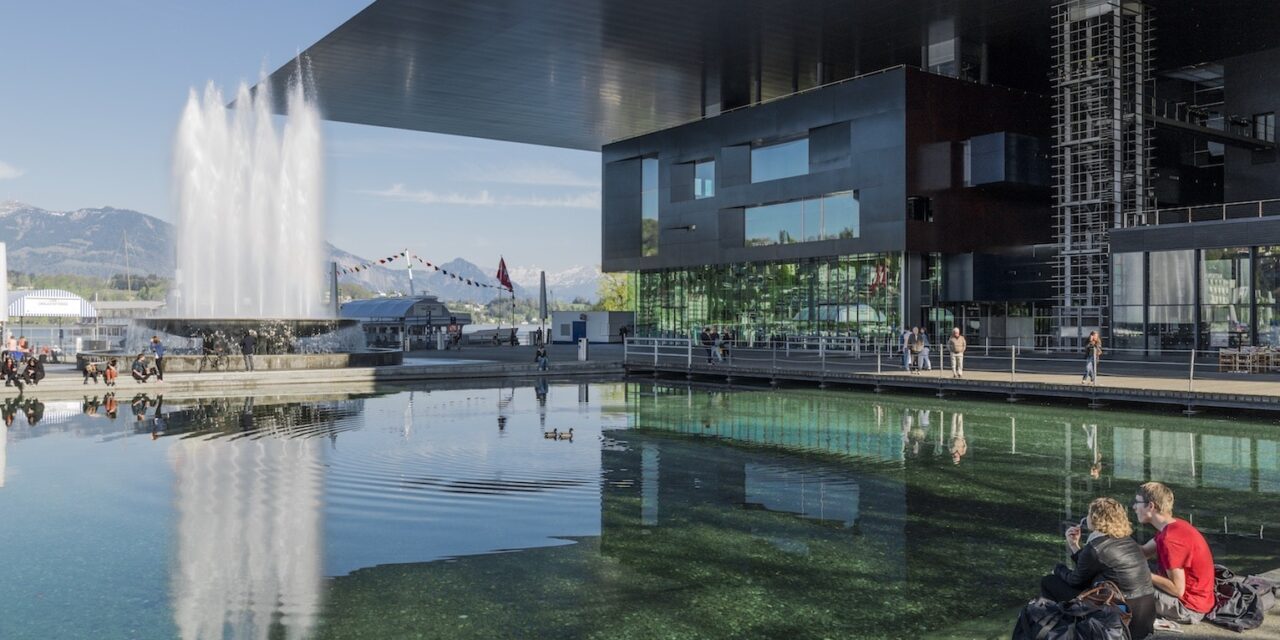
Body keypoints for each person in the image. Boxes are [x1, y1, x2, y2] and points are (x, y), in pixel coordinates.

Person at [1039, 497, 1156, 640]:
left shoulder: (1095, 547)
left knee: (1049, 581)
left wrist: (1058, 569)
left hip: (1121, 620)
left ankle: (1059, 631)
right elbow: (1091, 568)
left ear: (1095, 518)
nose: (1086, 517)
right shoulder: (1128, 541)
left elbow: (1076, 581)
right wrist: (1075, 546)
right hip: (1144, 618)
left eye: (1089, 514)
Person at [1133, 482, 1215, 625]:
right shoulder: (1174, 526)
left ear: (1151, 506)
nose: (1134, 507)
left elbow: (1178, 590)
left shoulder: (1170, 540)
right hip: (1201, 601)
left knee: (1122, 584)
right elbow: (1144, 552)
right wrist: (1114, 535)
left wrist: (1143, 574)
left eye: (1137, 502)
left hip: (1187, 608)